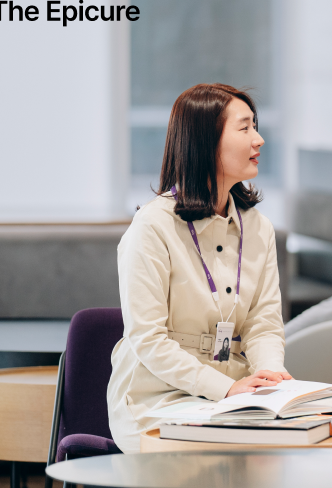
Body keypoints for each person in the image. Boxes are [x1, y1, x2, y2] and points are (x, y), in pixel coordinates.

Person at [107, 83, 293, 453]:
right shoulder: (151, 228)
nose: (258, 139)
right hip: (158, 398)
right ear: (206, 142)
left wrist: (269, 374)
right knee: (228, 451)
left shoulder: (259, 228)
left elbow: (264, 324)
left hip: (235, 397)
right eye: (244, 128)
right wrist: (223, 388)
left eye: (255, 126)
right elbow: (148, 339)